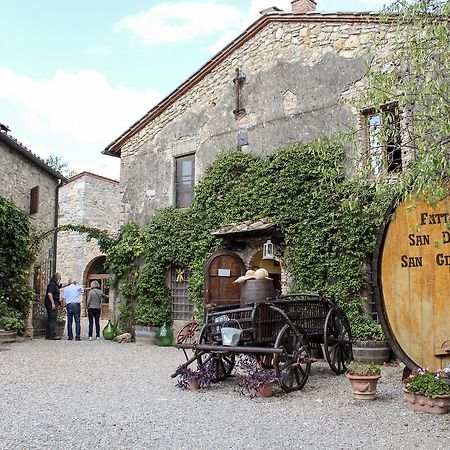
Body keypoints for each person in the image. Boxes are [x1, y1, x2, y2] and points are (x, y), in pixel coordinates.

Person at [44, 273, 63, 340]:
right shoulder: (52, 284)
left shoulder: (55, 285)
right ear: (57, 278)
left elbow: (61, 285)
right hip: (51, 303)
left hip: (52, 302)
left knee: (50, 319)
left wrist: (69, 283)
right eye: (60, 278)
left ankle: (48, 335)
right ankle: (52, 335)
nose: (60, 280)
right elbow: (49, 293)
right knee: (52, 318)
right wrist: (52, 303)